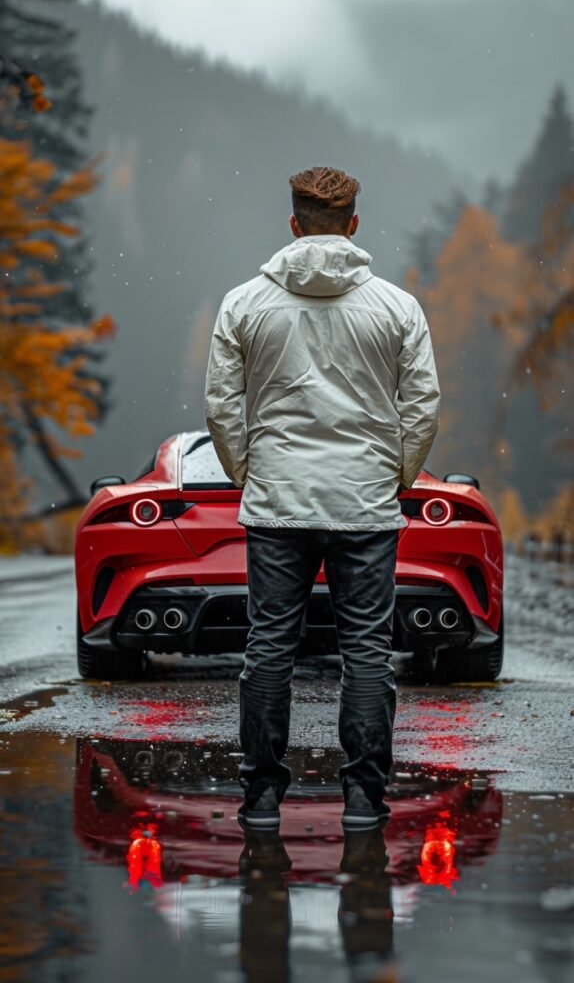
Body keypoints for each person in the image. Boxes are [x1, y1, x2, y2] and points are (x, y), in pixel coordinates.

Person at [205, 166, 440, 830]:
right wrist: (398, 475)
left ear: (293, 224)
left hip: (278, 500)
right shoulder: (397, 308)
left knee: (270, 648)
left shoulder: (244, 304)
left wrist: (247, 471)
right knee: (366, 650)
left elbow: (223, 404)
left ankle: (261, 799)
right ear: (354, 226)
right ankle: (364, 798)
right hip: (364, 503)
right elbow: (421, 403)